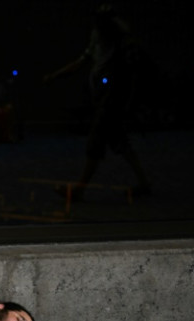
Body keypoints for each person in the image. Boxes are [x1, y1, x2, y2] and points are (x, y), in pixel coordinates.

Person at [43, 3, 151, 201]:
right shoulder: (97, 36)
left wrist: (129, 99)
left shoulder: (122, 40)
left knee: (97, 140)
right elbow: (82, 61)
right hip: (103, 96)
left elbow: (133, 70)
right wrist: (55, 76)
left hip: (112, 96)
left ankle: (79, 189)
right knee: (119, 141)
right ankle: (143, 182)